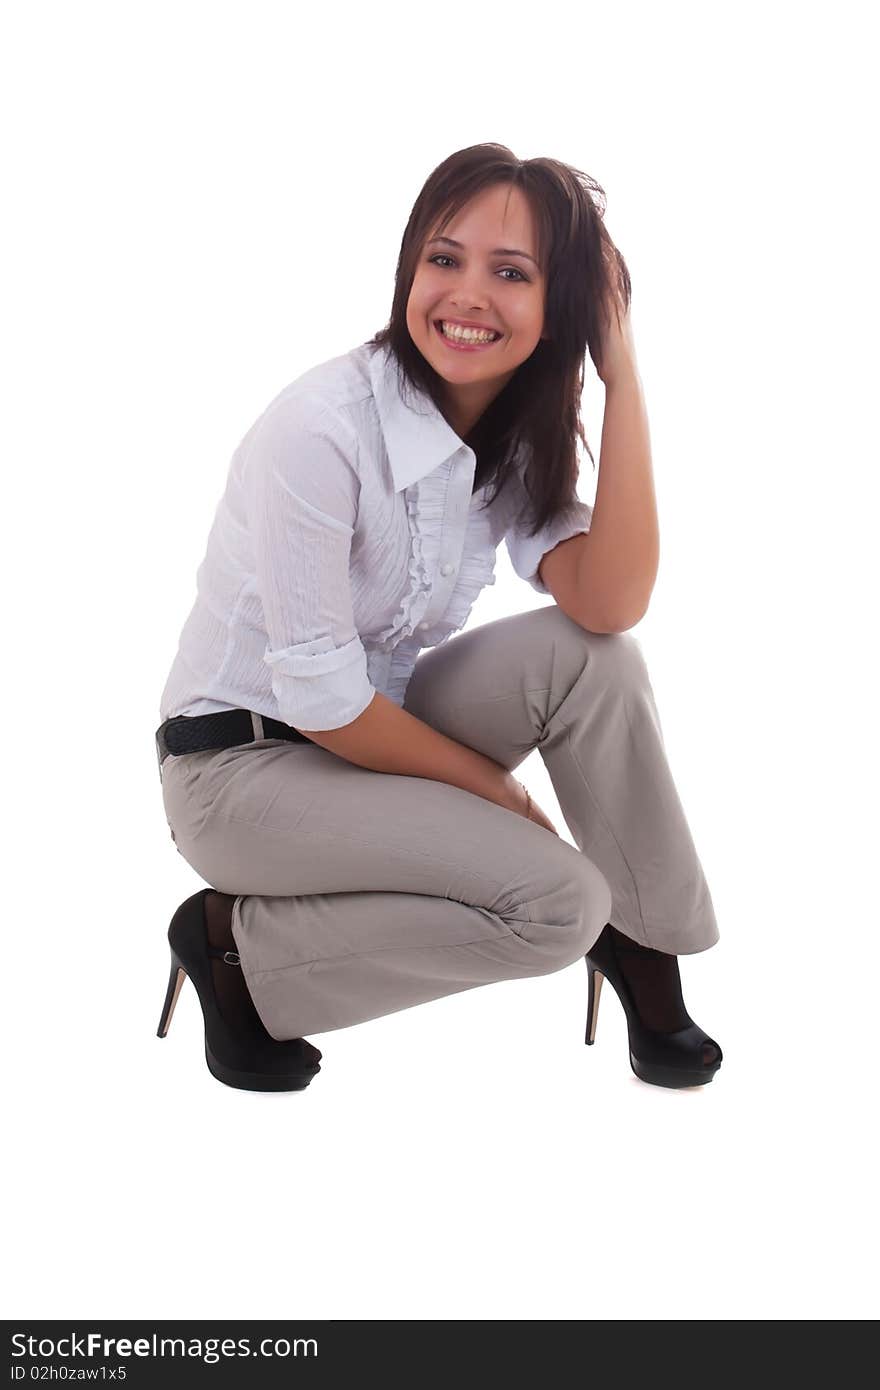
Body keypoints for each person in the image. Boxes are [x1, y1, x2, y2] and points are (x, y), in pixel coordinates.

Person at [154, 142, 723, 1094]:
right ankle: (235, 949)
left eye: (512, 273)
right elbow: (328, 704)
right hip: (238, 773)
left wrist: (623, 378)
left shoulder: (503, 429)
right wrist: (500, 796)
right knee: (552, 902)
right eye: (444, 259)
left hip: (363, 741)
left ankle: (639, 940)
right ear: (410, 267)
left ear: (562, 310)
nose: (466, 294)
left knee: (598, 657)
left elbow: (610, 600)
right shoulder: (319, 429)